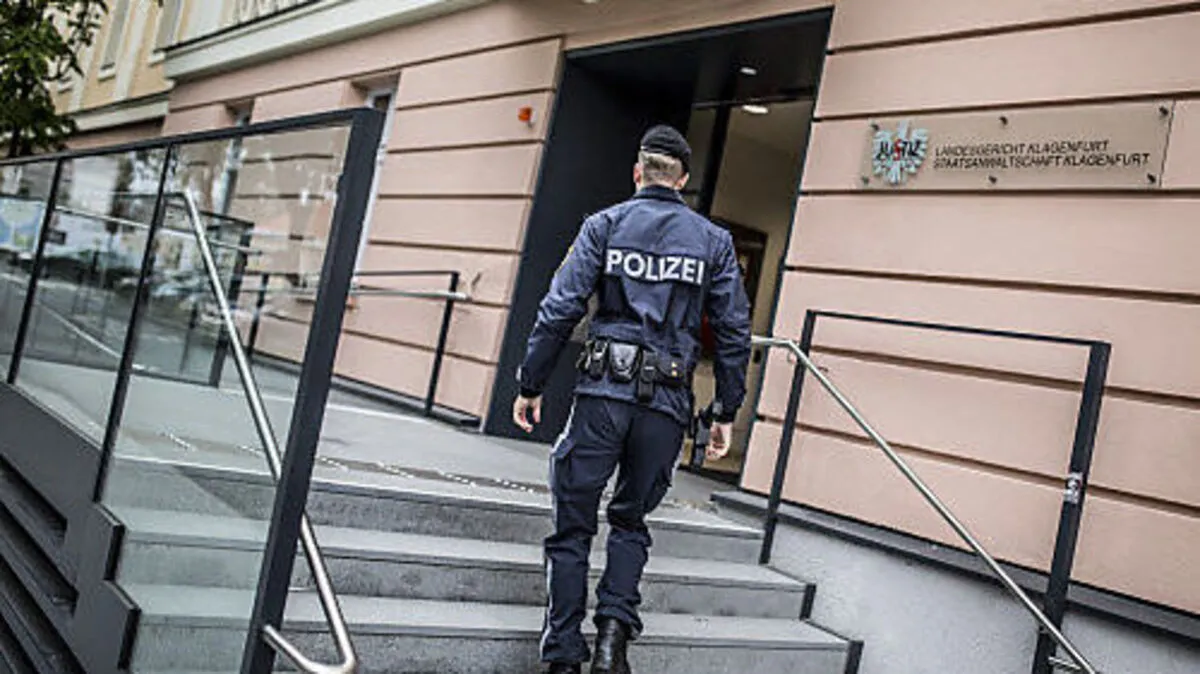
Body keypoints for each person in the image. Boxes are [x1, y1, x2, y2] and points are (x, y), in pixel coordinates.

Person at [512, 124, 752, 674]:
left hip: (602, 392)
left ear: (638, 172)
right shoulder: (713, 242)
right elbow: (733, 331)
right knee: (630, 523)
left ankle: (563, 653)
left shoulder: (604, 225)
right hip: (666, 403)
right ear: (683, 181)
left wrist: (531, 382)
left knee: (573, 524)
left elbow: (560, 308)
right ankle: (611, 643)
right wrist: (725, 410)